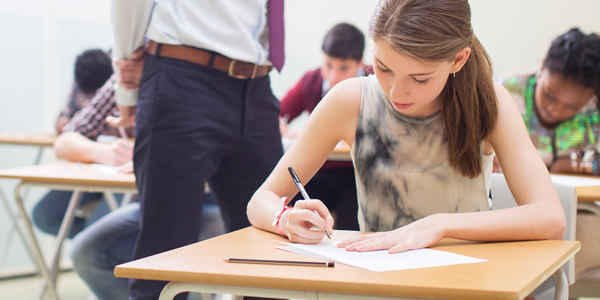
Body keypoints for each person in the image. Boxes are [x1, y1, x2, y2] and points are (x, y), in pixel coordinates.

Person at [247, 0, 565, 257]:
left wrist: (441, 225)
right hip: (377, 283)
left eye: (420, 78)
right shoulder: (350, 100)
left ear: (458, 60)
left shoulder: (489, 101)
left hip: (467, 280)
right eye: (383, 68)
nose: (397, 93)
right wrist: (285, 218)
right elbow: (262, 199)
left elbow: (550, 217)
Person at [108, 1, 286, 299]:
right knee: (164, 256)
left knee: (268, 252)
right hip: (184, 75)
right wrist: (127, 86)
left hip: (257, 84)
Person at [498, 28, 600, 281]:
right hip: (505, 208)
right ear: (542, 67)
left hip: (580, 211)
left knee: (558, 261)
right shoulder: (509, 90)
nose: (555, 110)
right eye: (549, 95)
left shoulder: (594, 112)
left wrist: (578, 162)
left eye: (572, 107)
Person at [280, 23, 371, 230]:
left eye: (344, 68)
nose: (333, 76)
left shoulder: (375, 80)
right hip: (318, 172)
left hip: (357, 175)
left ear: (360, 63)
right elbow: (279, 114)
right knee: (301, 219)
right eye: (328, 65)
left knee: (354, 225)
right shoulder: (310, 81)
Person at [32, 75, 131, 239]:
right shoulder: (119, 80)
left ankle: (97, 243)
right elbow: (64, 140)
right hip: (106, 169)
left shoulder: (173, 77)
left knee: (97, 236)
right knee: (44, 215)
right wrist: (105, 153)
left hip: (141, 181)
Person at [56, 49, 113, 133]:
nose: (91, 101)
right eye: (88, 96)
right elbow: (62, 123)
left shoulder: (119, 78)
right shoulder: (82, 76)